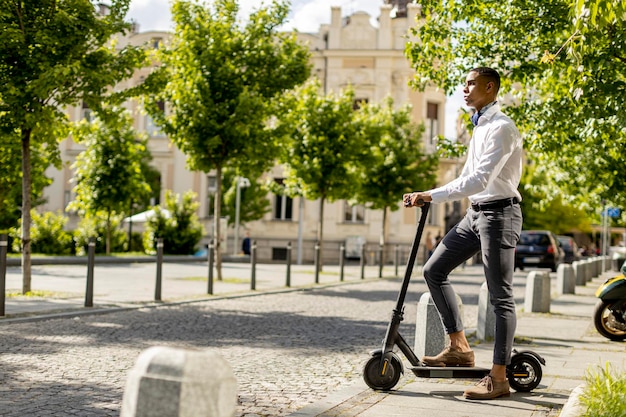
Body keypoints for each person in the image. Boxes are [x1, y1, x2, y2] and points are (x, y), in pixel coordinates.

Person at [403, 67, 523, 400]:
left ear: (490, 87)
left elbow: (478, 181)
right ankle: (459, 347)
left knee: (500, 297)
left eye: (471, 83)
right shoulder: (481, 125)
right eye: (464, 83)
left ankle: (498, 378)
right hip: (475, 214)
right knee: (434, 269)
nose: (464, 88)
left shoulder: (502, 128)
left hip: (500, 215)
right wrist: (433, 193)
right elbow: (468, 180)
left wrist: (430, 194)